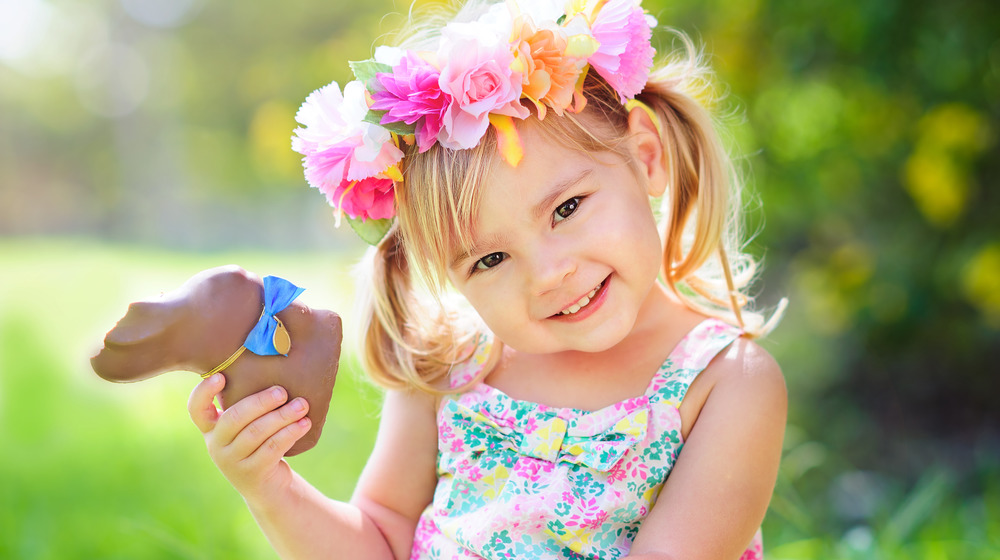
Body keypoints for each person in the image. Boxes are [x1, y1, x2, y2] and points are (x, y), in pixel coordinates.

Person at [186, 1, 787, 558]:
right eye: (490, 260)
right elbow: (381, 539)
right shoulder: (450, 366)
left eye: (568, 208)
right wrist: (270, 487)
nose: (550, 274)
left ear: (647, 158)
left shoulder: (724, 384)